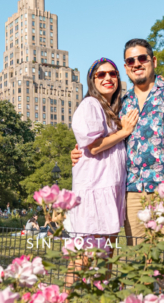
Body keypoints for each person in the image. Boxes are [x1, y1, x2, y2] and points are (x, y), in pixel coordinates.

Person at [71, 39, 164, 245]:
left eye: (142, 58)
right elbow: (101, 139)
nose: (137, 63)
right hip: (134, 194)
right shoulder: (121, 103)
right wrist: (77, 151)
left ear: (154, 61)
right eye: (130, 60)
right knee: (144, 263)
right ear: (126, 68)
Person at [69, 57, 138, 241]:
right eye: (101, 74)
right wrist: (125, 132)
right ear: (93, 80)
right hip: (95, 190)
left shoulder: (113, 109)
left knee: (106, 256)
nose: (108, 78)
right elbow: (93, 147)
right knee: (87, 259)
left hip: (110, 189)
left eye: (112, 73)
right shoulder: (91, 104)